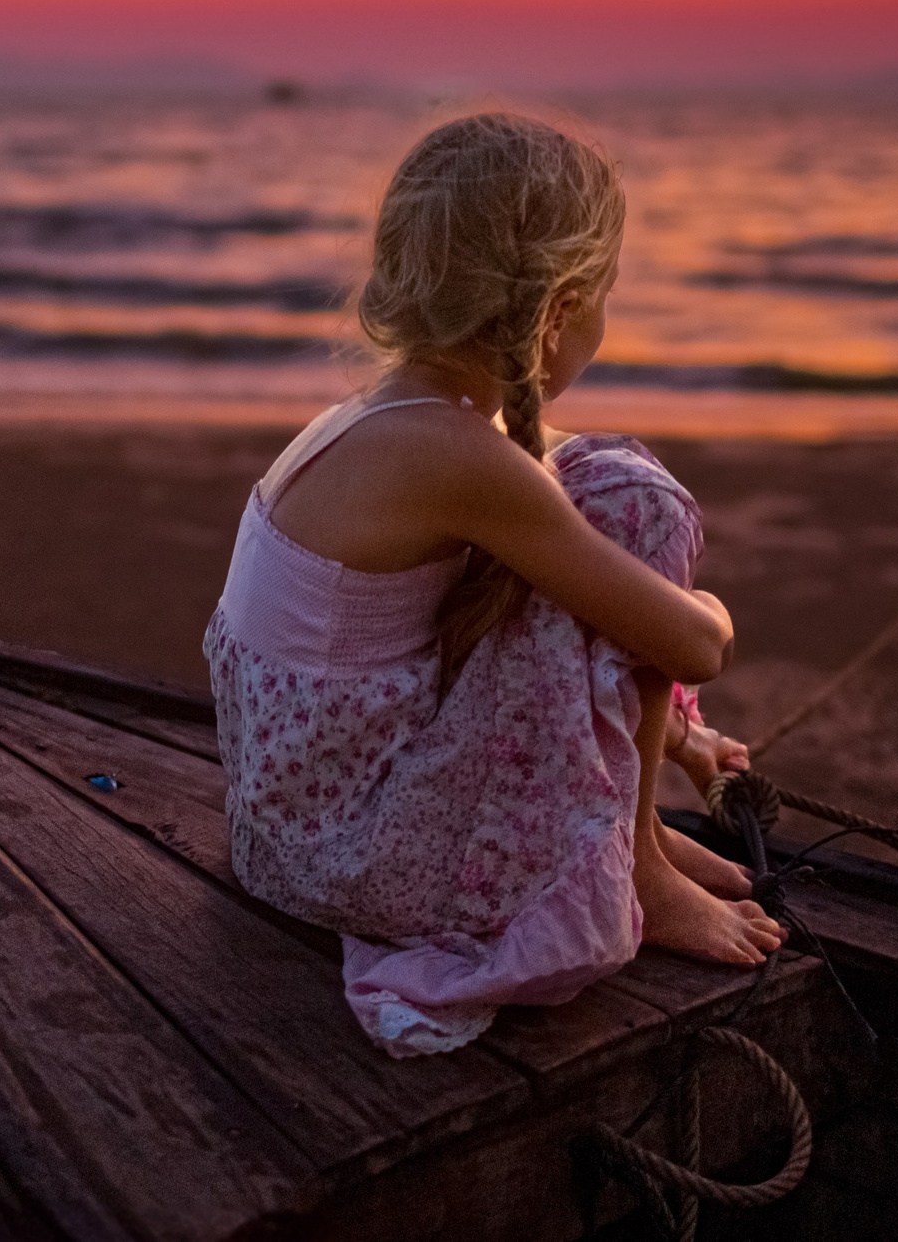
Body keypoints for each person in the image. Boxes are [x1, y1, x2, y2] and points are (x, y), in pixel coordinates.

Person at [203, 112, 784, 1057]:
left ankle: (631, 837)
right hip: (357, 860)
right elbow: (695, 644)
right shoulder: (461, 459)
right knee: (637, 503)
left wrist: (677, 734)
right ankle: (634, 866)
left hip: (284, 837)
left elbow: (494, 632)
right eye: (605, 293)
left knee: (584, 496)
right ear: (558, 309)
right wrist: (707, 612)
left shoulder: (376, 420)